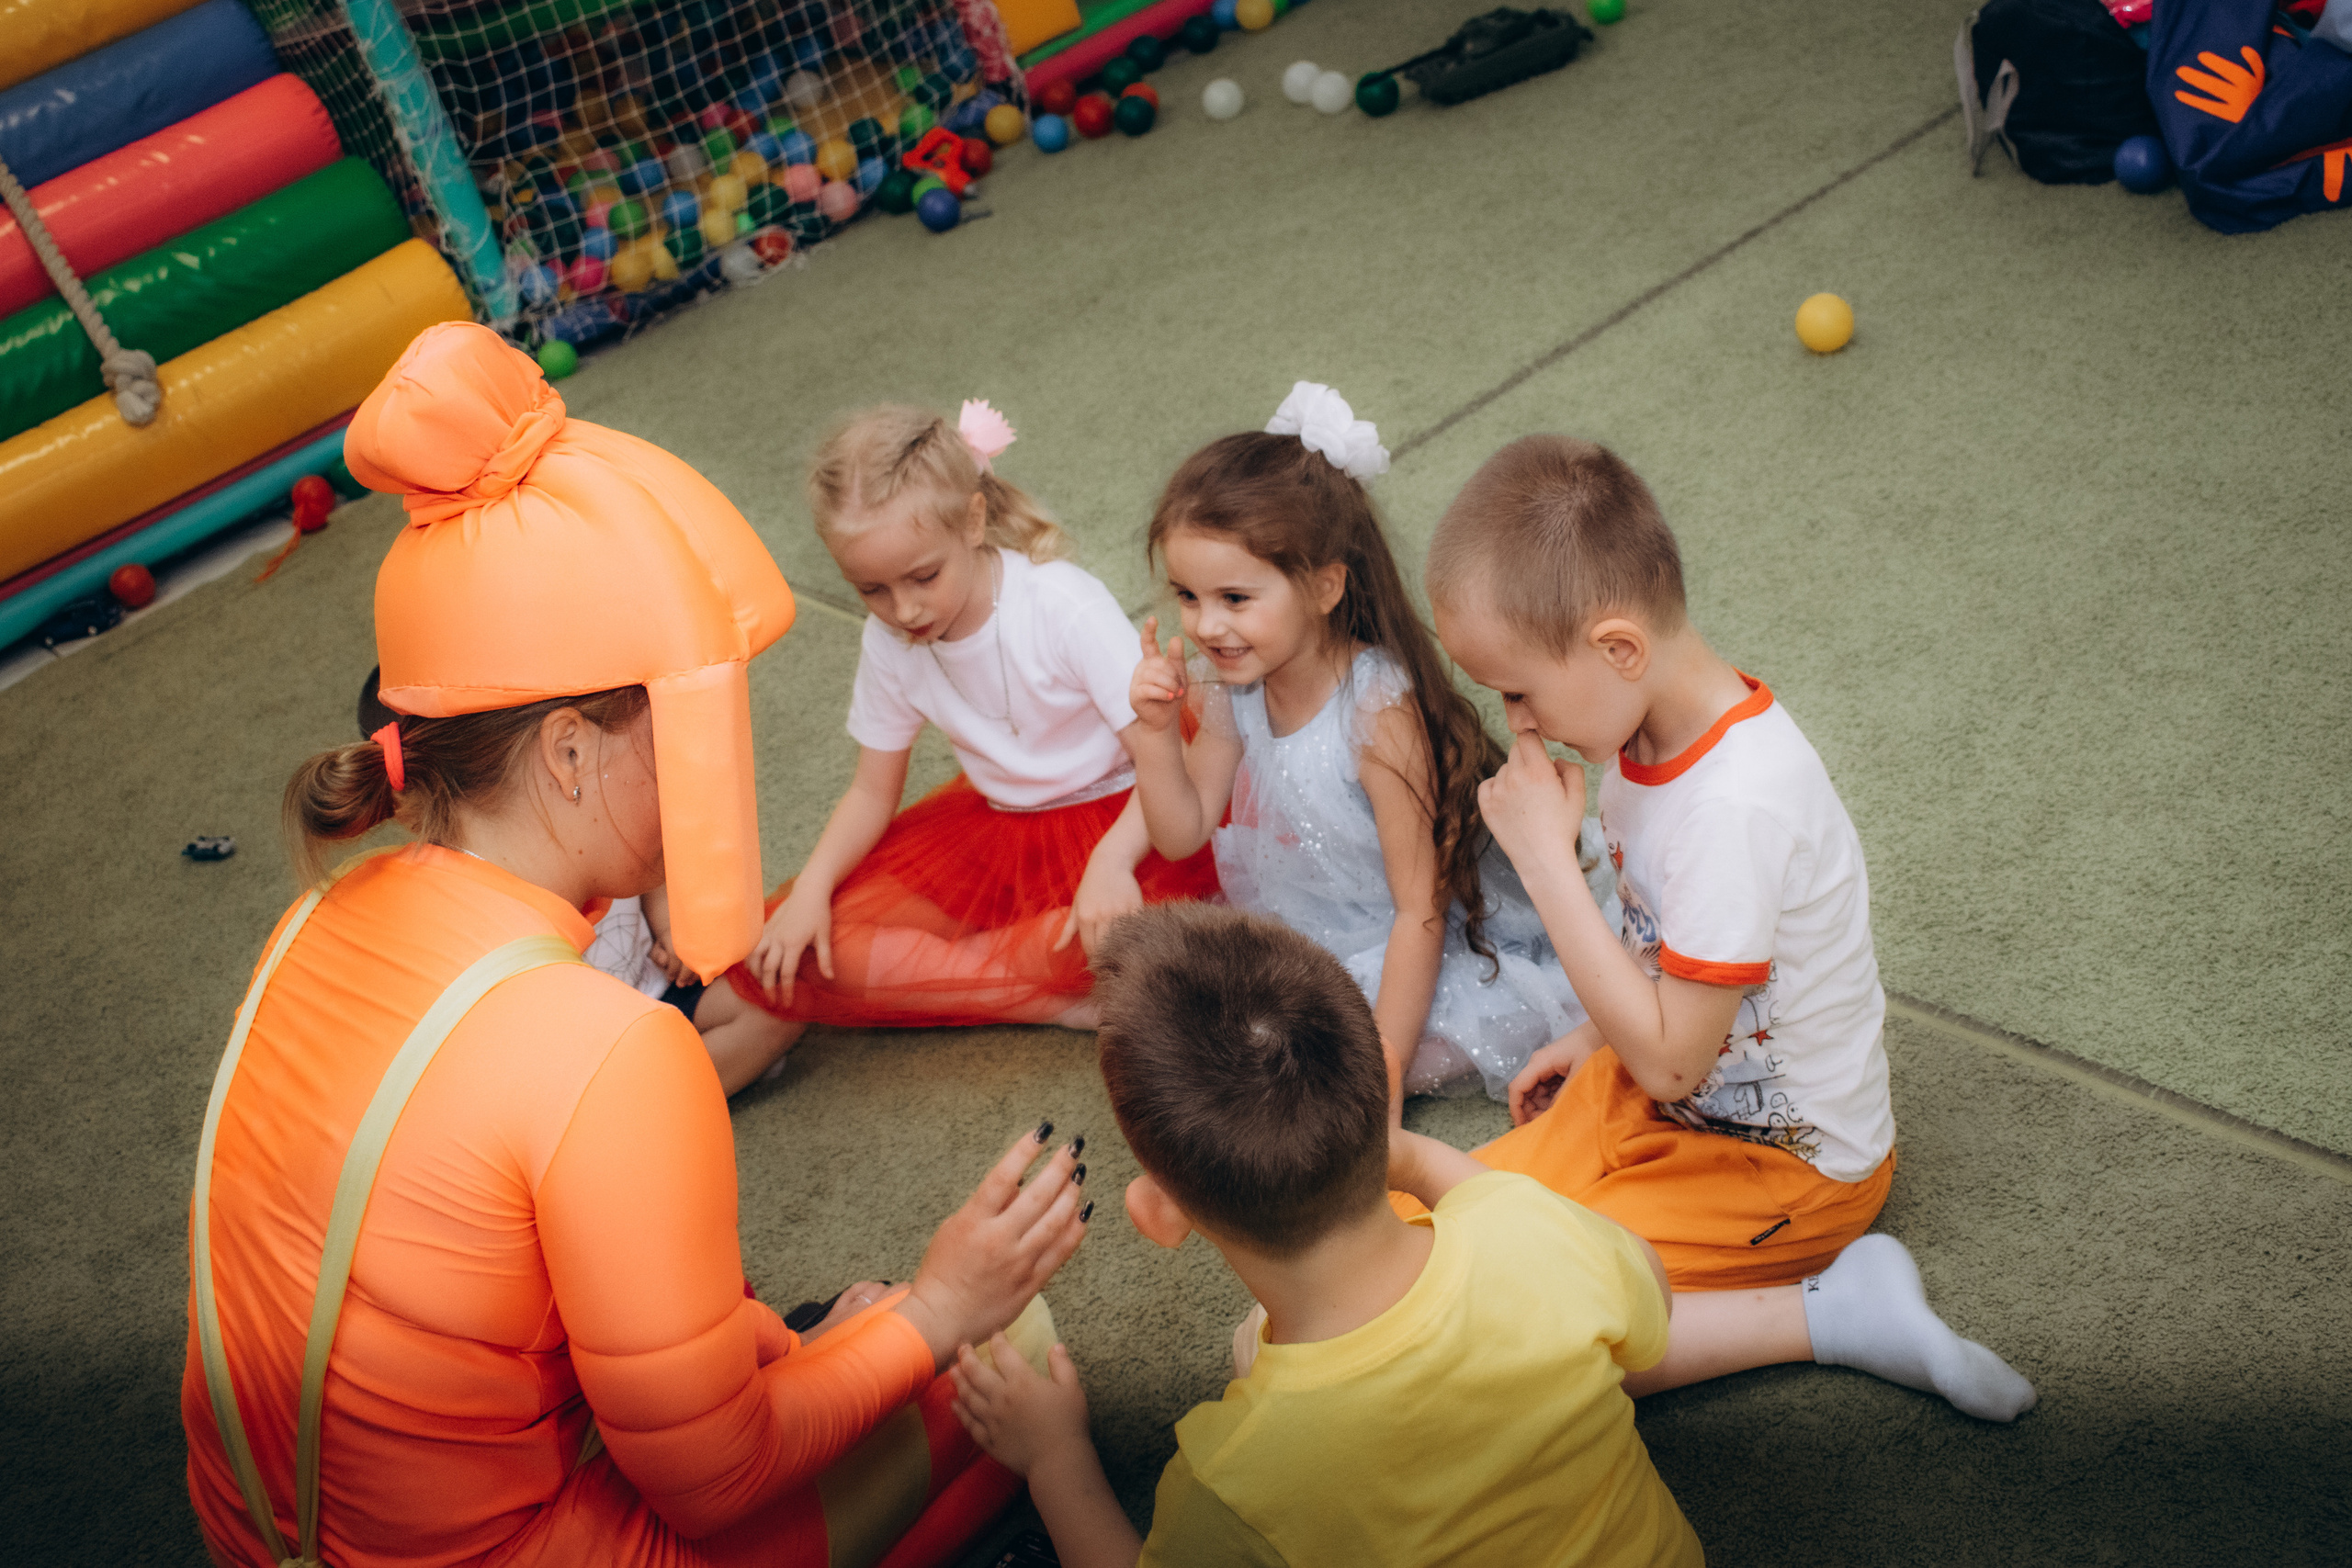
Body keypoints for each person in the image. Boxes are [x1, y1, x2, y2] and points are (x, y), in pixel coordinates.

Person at [181, 321, 1092, 1568]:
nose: (721, 762)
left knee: (814, 1348)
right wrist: (938, 1309)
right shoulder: (609, 1049)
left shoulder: (315, 917)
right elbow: (720, 1480)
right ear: (567, 752)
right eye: (686, 721)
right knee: (1014, 1363)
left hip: (274, 1540)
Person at [1422, 434, 2036, 1421]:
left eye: (1519, 690)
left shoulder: (1735, 807)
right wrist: (1589, 1038)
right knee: (1413, 1234)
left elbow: (1670, 1060)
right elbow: (1658, 954)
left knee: (1501, 1332)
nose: (1515, 722)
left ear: (1618, 648)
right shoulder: (1636, 727)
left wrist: (1544, 860)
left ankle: (1834, 1312)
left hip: (1778, 1172)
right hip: (1657, 1095)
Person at [947, 903, 1705, 1568]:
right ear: (1381, 1081)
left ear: (1160, 1214)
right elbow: (1652, 1294)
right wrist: (1405, 1154)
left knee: (1252, 1344)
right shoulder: (1532, 1230)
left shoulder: (1239, 1471)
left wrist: (1055, 1457)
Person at [1124, 382, 1610, 1116]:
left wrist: (1382, 1068)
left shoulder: (1378, 712)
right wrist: (1157, 741)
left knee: (1310, 1067)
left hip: (1431, 943)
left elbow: (1420, 911)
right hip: (1315, 928)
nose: (1206, 625)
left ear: (1324, 587)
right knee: (1209, 1027)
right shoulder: (1229, 685)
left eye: (1235, 598)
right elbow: (1182, 829)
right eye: (1188, 596)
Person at [725, 400, 1216, 1075]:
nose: (905, 609)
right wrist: (810, 888)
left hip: (1128, 818)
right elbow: (872, 791)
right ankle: (1043, 998)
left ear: (975, 520)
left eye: (923, 576)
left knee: (1115, 938)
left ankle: (1008, 968)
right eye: (872, 589)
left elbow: (1169, 758)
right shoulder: (890, 640)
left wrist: (1111, 863)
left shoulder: (1059, 603)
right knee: (820, 941)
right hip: (994, 832)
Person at [361, 666, 792, 1089]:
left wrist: (669, 924)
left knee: (779, 1001)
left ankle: (670, 1088)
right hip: (590, 1051)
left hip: (657, 988)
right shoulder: (465, 895)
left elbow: (651, 861)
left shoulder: (585, 817)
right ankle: (657, 1099)